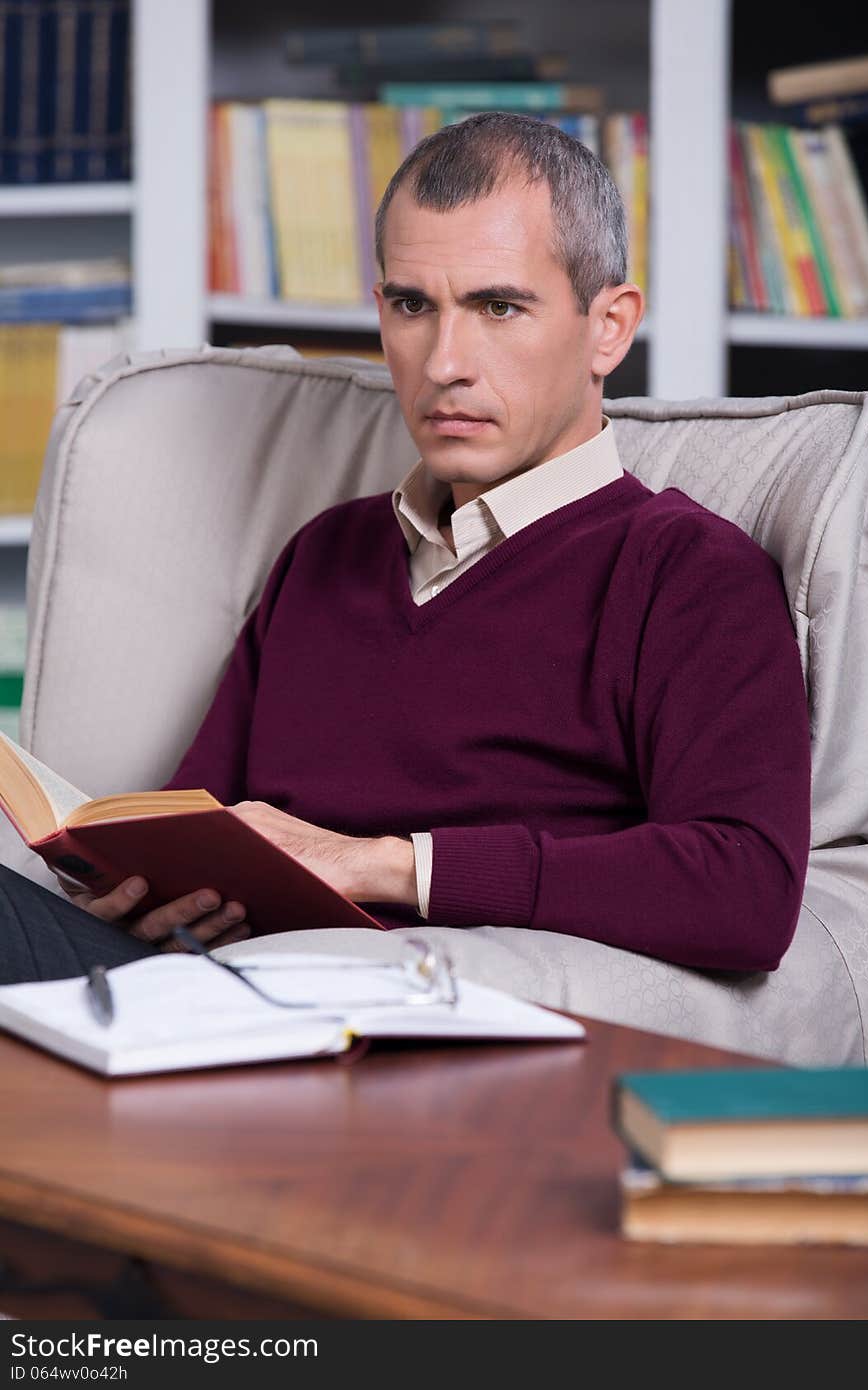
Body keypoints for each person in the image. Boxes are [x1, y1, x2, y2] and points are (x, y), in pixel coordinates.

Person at [0, 112, 811, 984]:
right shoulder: (328, 552)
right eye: (412, 306)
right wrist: (132, 884)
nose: (444, 363)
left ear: (607, 328)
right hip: (198, 984)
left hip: (398, 1005)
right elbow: (202, 820)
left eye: (499, 306)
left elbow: (746, 892)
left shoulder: (688, 573)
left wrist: (383, 863)